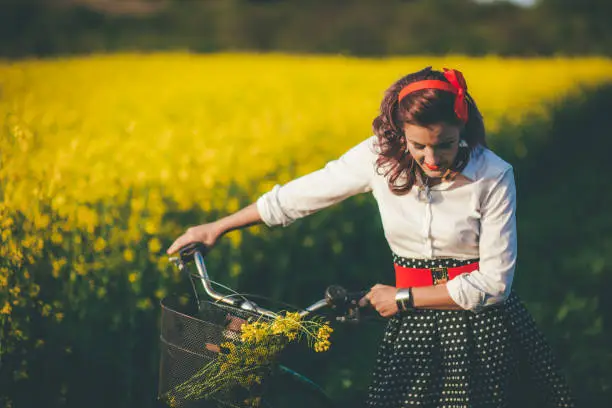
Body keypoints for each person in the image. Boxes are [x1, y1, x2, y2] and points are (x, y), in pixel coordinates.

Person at [167, 67, 575, 407]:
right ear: (400, 132)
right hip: (412, 324)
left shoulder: (493, 175)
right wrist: (217, 226)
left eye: (446, 145)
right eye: (419, 146)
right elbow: (296, 198)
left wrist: (401, 297)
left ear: (462, 128)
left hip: (480, 328)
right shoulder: (378, 158)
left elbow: (494, 284)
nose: (433, 159)